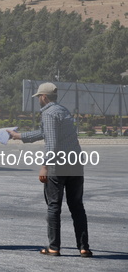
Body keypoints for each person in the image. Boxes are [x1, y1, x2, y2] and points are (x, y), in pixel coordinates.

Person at [8, 82, 92, 257]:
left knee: (54, 206)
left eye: (39, 96)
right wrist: (20, 136)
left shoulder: (48, 113)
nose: (38, 99)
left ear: (44, 97)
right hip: (75, 164)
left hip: (58, 165)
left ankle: (54, 247)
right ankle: (83, 247)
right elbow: (44, 132)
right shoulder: (63, 111)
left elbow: (52, 144)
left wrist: (45, 166)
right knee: (77, 206)